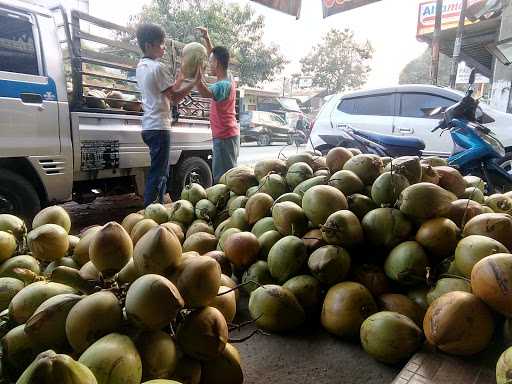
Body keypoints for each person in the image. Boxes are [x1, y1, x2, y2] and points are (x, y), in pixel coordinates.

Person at [136, 24, 198, 206]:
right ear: (148, 45)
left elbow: (166, 90)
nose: (163, 47)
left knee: (157, 171)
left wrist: (179, 79)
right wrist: (194, 82)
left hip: (148, 126)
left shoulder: (141, 66)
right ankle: (152, 212)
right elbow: (176, 97)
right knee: (159, 174)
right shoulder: (157, 67)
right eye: (160, 44)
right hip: (159, 127)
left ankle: (153, 209)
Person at [196, 27, 239, 183]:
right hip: (227, 135)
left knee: (223, 179)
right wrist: (207, 39)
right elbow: (215, 54)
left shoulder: (223, 85)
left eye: (211, 61)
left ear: (217, 63)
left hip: (224, 137)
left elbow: (205, 93)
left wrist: (195, 75)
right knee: (229, 175)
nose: (209, 64)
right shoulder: (228, 75)